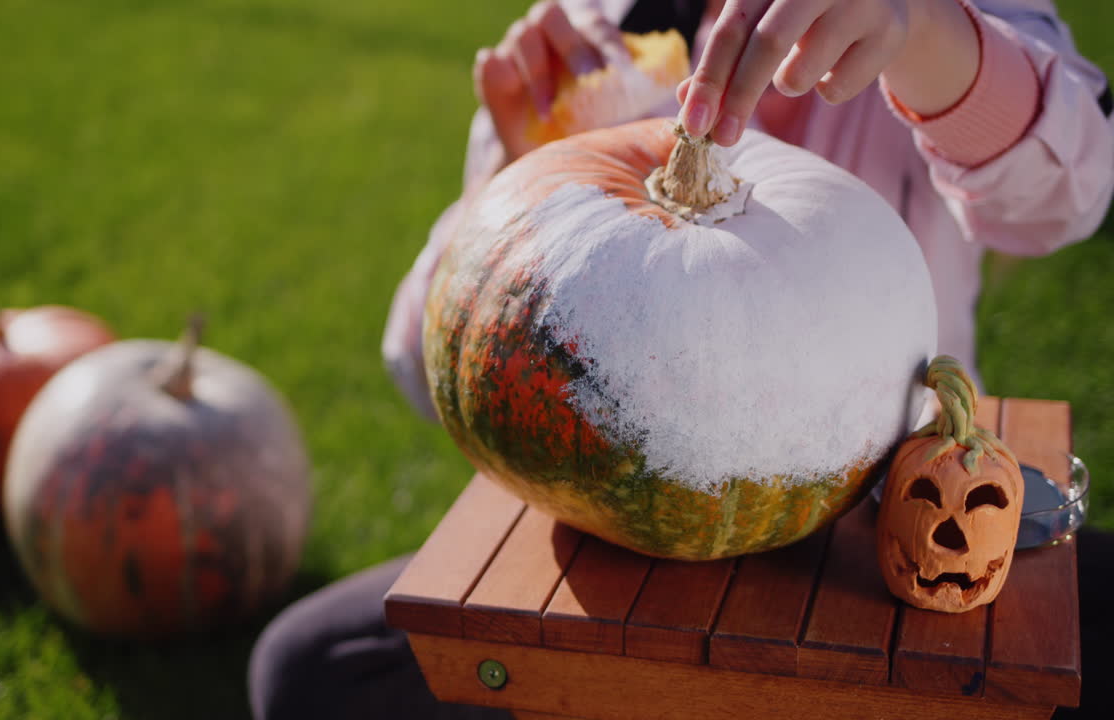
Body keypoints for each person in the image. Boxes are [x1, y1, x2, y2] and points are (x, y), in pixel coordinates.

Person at [249, 1, 1114, 718]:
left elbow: (1066, 197)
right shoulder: (592, 29)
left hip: (873, 531)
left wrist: (924, 33)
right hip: (600, 549)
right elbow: (428, 360)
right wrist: (516, 182)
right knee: (306, 666)